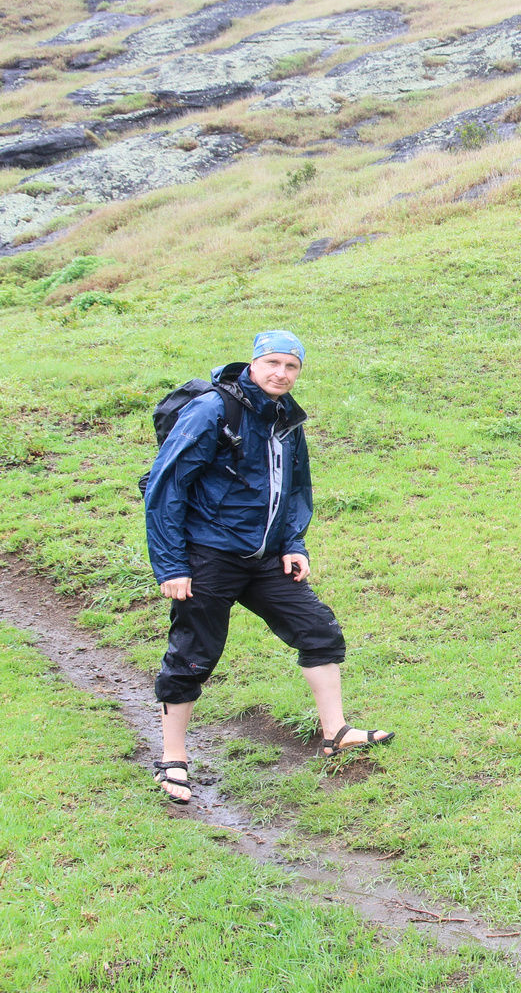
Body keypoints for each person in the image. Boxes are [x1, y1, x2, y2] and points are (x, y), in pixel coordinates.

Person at [143, 330, 392, 804]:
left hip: (264, 558)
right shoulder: (214, 410)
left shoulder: (286, 418)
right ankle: (172, 758)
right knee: (194, 652)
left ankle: (335, 732)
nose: (281, 373)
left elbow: (295, 489)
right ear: (254, 364)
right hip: (207, 556)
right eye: (273, 363)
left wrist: (293, 542)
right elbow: (166, 487)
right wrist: (172, 565)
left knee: (317, 629)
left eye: (291, 366)